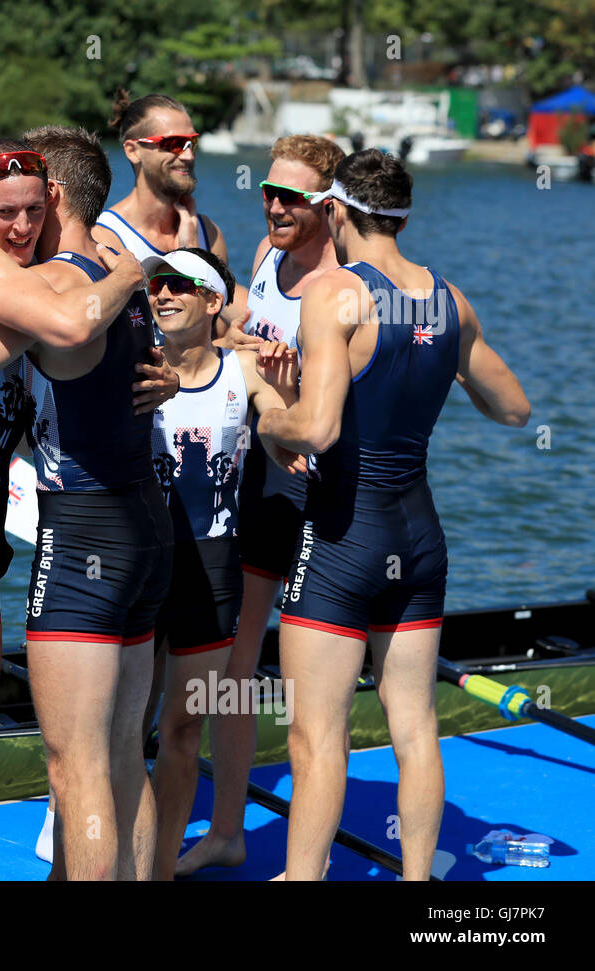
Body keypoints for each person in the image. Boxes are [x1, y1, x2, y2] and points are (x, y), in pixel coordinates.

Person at [0, 127, 178, 881]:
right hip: (148, 524)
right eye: (2, 210)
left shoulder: (61, 284)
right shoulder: (113, 276)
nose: (18, 226)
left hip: (84, 532)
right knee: (122, 757)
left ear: (52, 196)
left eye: (29, 206)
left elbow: (57, 328)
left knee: (76, 768)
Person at [256, 149, 530, 881]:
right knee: (415, 727)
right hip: (420, 539)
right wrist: (440, 368)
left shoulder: (335, 293)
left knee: (317, 737)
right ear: (403, 215)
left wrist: (268, 419)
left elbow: (314, 430)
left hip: (344, 535)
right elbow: (514, 409)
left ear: (337, 211)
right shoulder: (452, 301)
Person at [176, 134, 344, 877]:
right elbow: (242, 335)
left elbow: (343, 397)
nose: (274, 206)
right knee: (236, 666)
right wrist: (240, 341)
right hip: (255, 482)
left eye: (292, 198)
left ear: (330, 206)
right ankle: (227, 829)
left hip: (319, 490)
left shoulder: (346, 287)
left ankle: (303, 855)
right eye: (268, 193)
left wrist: (300, 375)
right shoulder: (268, 258)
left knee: (310, 688)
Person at [138, 247, 297, 881]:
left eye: (181, 286)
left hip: (211, 571)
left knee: (179, 734)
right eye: (157, 285)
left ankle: (156, 868)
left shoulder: (246, 370)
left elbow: (298, 414)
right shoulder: (131, 364)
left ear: (212, 304)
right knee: (123, 737)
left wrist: (287, 424)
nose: (163, 294)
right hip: (138, 566)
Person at [91, 90, 247, 332]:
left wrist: (193, 255)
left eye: (191, 142)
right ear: (133, 151)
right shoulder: (104, 239)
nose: (188, 155)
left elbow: (223, 330)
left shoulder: (208, 232)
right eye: (173, 144)